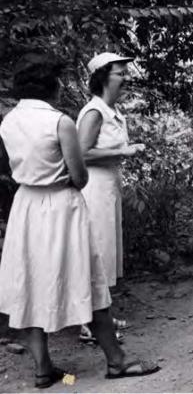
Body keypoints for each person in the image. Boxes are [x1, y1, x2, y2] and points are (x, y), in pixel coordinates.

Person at [0, 53, 159, 388]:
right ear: (50, 86)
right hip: (62, 205)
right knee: (89, 279)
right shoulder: (60, 122)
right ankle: (116, 361)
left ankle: (43, 367)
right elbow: (79, 175)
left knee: (29, 279)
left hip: (26, 204)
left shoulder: (9, 121)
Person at [76, 52, 145, 342]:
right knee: (97, 253)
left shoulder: (110, 111)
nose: (126, 78)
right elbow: (80, 153)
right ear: (104, 76)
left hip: (109, 186)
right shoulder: (94, 112)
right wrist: (122, 151)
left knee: (105, 254)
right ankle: (88, 325)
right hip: (94, 189)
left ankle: (101, 317)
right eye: (120, 73)